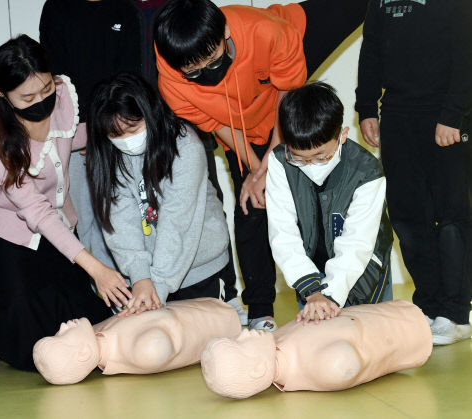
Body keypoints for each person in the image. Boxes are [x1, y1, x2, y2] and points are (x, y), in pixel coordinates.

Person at [153, 0, 368, 331]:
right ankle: (259, 311)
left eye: (212, 62)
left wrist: (271, 161)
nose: (206, 77)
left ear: (224, 31)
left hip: (283, 102)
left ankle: (334, 293)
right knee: (251, 204)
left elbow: (288, 90)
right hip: (240, 128)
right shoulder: (172, 82)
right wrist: (256, 172)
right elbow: (218, 125)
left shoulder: (266, 32)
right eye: (194, 73)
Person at [0, 35, 124, 371]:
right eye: (27, 97)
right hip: (13, 239)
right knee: (34, 354)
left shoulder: (63, 97)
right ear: (1, 92)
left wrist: (113, 130)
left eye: (45, 89)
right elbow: (37, 211)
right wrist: (96, 267)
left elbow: (72, 134)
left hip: (59, 231)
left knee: (92, 331)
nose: (41, 101)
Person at [355, 0, 472, 345]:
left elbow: (466, 52)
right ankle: (429, 305)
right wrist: (366, 107)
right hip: (397, 114)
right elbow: (372, 49)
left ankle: (455, 313)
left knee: (451, 216)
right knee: (407, 216)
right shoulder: (380, 2)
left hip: (445, 115)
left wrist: (454, 114)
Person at [87, 72, 243, 319]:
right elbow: (120, 221)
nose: (127, 141)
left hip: (199, 270)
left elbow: (177, 222)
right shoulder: (109, 157)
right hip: (145, 278)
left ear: (150, 112)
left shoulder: (185, 146)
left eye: (133, 128)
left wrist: (156, 286)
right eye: (116, 135)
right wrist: (140, 277)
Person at [265, 82, 393, 325]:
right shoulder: (280, 162)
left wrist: (331, 295)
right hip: (309, 268)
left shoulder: (367, 171)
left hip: (363, 266)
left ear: (342, 135)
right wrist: (313, 292)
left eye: (321, 156)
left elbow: (357, 243)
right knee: (318, 339)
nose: (311, 166)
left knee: (374, 338)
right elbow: (283, 232)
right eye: (300, 158)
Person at [39, 0, 142, 271]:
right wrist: (84, 132)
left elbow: (129, 74)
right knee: (86, 224)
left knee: (126, 217)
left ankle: (135, 290)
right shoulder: (56, 8)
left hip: (117, 132)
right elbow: (55, 78)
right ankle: (106, 296)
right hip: (73, 136)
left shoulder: (125, 10)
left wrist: (105, 129)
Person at [201, 300, 432, 399]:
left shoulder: (273, 342)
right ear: (258, 369)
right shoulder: (324, 367)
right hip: (413, 332)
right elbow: (345, 365)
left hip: (398, 314)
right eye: (240, 342)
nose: (244, 332)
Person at [33, 298, 241, 385]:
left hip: (209, 305)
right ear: (83, 354)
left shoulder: (95, 334)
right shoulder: (143, 351)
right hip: (225, 322)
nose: (62, 327)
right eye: (61, 336)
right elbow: (164, 334)